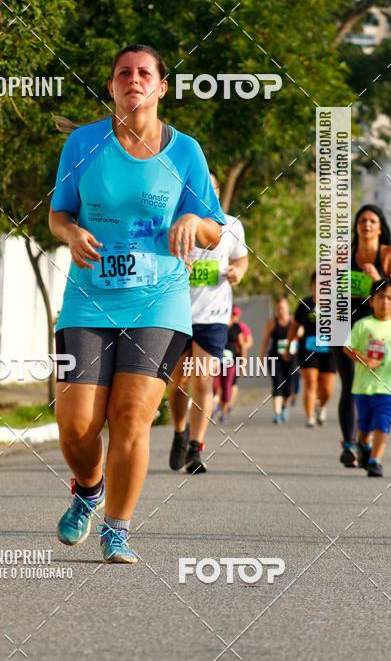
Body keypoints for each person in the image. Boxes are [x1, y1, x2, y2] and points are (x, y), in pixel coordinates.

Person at [49, 44, 226, 564]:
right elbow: (58, 214)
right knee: (76, 425)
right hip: (88, 298)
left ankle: (118, 528)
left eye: (144, 73)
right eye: (123, 73)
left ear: (161, 86)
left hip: (159, 301)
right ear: (111, 86)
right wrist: (71, 233)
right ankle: (89, 487)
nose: (134, 79)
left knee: (130, 417)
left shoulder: (185, 151)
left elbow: (215, 230)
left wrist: (195, 223)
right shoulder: (83, 143)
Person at [168, 174, 248, 474]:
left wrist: (237, 273)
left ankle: (195, 448)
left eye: (211, 188)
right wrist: (178, 264)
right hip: (176, 313)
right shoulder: (175, 220)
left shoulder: (231, 225)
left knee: (203, 380)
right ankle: (179, 432)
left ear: (216, 192)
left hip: (213, 316)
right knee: (177, 384)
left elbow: (241, 261)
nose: (205, 193)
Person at [334, 205, 391, 467]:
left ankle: (366, 442)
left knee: (371, 382)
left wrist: (380, 278)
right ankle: (349, 445)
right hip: (342, 319)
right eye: (362, 220)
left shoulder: (389, 253)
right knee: (349, 382)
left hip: (374, 323)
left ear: (380, 226)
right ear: (356, 226)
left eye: (372, 221)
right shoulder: (344, 253)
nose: (366, 224)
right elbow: (324, 283)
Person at [343, 278, 391, 477]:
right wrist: (363, 359)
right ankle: (364, 445)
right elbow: (347, 348)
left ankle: (375, 460)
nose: (385, 302)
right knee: (363, 426)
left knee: (382, 422)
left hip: (387, 387)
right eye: (380, 297)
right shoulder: (362, 325)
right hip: (363, 387)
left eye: (390, 298)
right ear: (371, 301)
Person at [285, 271, 336, 427]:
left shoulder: (336, 303)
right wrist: (288, 347)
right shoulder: (305, 304)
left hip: (330, 349)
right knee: (310, 382)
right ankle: (310, 417)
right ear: (312, 285)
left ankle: (321, 406)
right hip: (308, 348)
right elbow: (294, 327)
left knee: (327, 389)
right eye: (317, 283)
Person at [259, 296, 298, 424]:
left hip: (291, 359)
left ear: (287, 308)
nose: (280, 311)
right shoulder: (272, 323)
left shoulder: (294, 322)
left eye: (282, 308)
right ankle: (277, 414)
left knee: (290, 387)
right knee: (277, 384)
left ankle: (285, 407)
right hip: (275, 358)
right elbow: (265, 341)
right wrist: (261, 358)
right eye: (278, 309)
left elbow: (301, 336)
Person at [223, 306, 252, 417]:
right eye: (232, 314)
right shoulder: (222, 325)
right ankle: (221, 405)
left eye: (236, 315)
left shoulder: (241, 327)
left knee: (232, 384)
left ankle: (229, 405)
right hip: (222, 358)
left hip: (235, 358)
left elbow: (248, 342)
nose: (234, 317)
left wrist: (240, 347)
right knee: (221, 384)